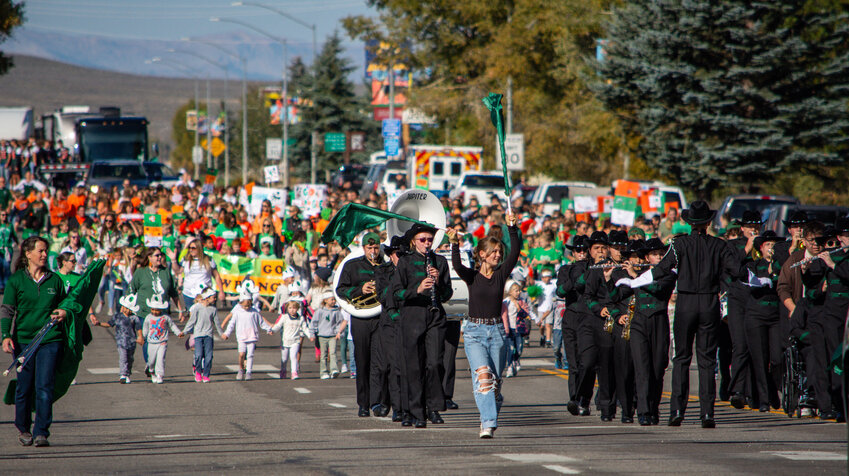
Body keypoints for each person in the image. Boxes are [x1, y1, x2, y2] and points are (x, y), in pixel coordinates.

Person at [616, 201, 740, 428]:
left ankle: (677, 411)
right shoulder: (719, 245)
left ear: (689, 223)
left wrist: (635, 280)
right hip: (709, 302)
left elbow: (660, 270)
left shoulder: (679, 244)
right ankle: (706, 414)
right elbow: (736, 271)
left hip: (686, 302)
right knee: (707, 360)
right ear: (708, 222)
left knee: (682, 358)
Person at [448, 210, 519, 438]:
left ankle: (491, 410)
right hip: (474, 332)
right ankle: (488, 423)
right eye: (493, 252)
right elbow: (458, 266)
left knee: (495, 383)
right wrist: (455, 243)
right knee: (484, 378)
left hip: (497, 331)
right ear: (482, 254)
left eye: (499, 252)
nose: (498, 255)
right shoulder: (472, 276)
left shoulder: (501, 275)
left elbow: (515, 253)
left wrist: (512, 228)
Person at [1, 236, 75, 447]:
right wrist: (6, 335)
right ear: (28, 254)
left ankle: (41, 431)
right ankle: (23, 428)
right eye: (41, 251)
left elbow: (66, 304)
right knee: (24, 386)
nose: (45, 255)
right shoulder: (16, 281)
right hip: (23, 340)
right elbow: (7, 309)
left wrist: (64, 311)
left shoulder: (55, 280)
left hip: (50, 339)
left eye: (46, 251)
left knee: (45, 386)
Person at [389, 223, 453, 428]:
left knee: (434, 363)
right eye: (422, 240)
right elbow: (395, 293)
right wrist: (416, 289)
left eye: (429, 240)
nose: (427, 243)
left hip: (434, 316)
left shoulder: (440, 262)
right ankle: (414, 411)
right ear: (414, 241)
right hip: (412, 315)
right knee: (413, 366)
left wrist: (438, 283)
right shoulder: (405, 262)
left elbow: (448, 294)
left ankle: (432, 407)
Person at [623, 238, 676, 425]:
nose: (659, 257)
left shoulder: (669, 274)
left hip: (659, 321)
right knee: (642, 369)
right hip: (639, 323)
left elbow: (657, 289)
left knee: (657, 368)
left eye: (662, 254)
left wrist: (635, 278)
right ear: (647, 257)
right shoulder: (639, 272)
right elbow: (616, 294)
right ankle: (643, 411)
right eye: (655, 254)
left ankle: (653, 409)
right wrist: (608, 277)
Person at [335, 232, 386, 418]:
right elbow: (340, 290)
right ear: (363, 248)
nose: (373, 251)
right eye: (369, 248)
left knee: (380, 362)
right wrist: (360, 290)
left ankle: (377, 402)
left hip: (380, 318)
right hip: (361, 319)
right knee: (363, 361)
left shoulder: (385, 265)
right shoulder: (352, 265)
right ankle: (363, 404)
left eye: (375, 248)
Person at [741, 230, 784, 412]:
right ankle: (764, 399)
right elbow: (747, 281)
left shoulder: (780, 265)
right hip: (756, 315)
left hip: (775, 316)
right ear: (761, 248)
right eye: (768, 245)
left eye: (774, 245)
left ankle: (773, 388)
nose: (771, 248)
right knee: (760, 359)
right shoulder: (754, 265)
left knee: (776, 358)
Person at [556, 235, 589, 414]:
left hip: (589, 317)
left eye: (584, 250)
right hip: (571, 317)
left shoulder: (594, 268)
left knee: (589, 361)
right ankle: (574, 399)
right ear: (573, 252)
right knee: (573, 362)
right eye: (578, 250)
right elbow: (560, 291)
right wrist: (573, 279)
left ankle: (586, 399)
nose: (581, 253)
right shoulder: (565, 269)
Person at [89, 293, 143, 384]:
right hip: (121, 343)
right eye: (124, 307)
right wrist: (99, 324)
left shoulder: (134, 318)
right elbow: (109, 324)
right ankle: (123, 375)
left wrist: (140, 337)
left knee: (130, 359)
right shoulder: (118, 316)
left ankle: (127, 373)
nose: (125, 309)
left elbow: (138, 329)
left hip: (131, 342)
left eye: (128, 308)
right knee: (123, 358)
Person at [222, 290, 273, 380]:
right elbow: (231, 324)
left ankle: (249, 371)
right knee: (242, 354)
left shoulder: (254, 312)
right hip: (241, 336)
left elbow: (261, 322)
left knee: (250, 355)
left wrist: (268, 329)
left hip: (252, 336)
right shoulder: (237, 312)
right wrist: (227, 333)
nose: (246, 307)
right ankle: (241, 369)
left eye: (248, 305)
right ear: (240, 303)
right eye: (244, 305)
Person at [141, 294, 184, 384]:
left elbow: (172, 325)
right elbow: (145, 328)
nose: (155, 311)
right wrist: (143, 336)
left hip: (162, 341)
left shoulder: (165, 317)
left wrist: (178, 332)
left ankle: (160, 375)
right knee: (151, 360)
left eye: (157, 310)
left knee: (160, 359)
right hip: (151, 342)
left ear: (161, 309)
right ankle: (152, 371)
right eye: (153, 309)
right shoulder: (148, 317)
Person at [174, 237, 225, 310]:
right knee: (192, 317)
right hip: (189, 293)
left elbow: (216, 276)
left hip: (205, 294)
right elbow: (178, 272)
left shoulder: (209, 259)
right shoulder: (186, 259)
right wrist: (173, 261)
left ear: (199, 248)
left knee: (206, 317)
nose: (191, 250)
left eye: (193, 248)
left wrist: (221, 291)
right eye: (190, 248)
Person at [182, 287, 220, 383]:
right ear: (207, 297)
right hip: (198, 335)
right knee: (198, 355)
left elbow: (217, 323)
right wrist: (184, 331)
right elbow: (192, 321)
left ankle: (206, 374)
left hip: (208, 335)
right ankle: (198, 372)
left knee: (209, 356)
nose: (215, 299)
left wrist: (222, 334)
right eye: (213, 297)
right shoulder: (197, 308)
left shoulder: (213, 309)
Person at [270, 297, 313, 379]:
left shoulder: (300, 318)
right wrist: (273, 330)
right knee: (284, 359)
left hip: (295, 341)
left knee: (293, 357)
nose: (292, 310)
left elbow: (305, 328)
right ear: (287, 309)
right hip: (285, 341)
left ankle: (294, 372)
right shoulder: (284, 317)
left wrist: (310, 336)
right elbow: (278, 325)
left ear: (297, 309)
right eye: (290, 308)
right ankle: (283, 371)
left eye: (294, 308)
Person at [310, 292, 343, 379]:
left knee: (333, 353)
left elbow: (339, 323)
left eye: (334, 299)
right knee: (323, 355)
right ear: (325, 301)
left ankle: (334, 370)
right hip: (322, 335)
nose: (333, 301)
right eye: (331, 299)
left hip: (333, 335)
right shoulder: (320, 311)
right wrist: (312, 334)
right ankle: (323, 372)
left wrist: (338, 332)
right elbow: (314, 323)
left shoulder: (337, 311)